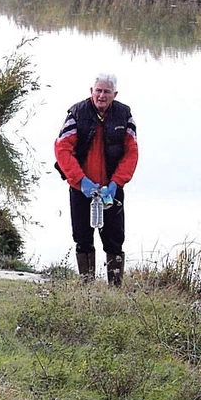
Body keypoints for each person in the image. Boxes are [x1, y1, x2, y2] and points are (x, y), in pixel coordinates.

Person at [54, 73, 138, 286]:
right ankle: (87, 288)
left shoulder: (124, 115)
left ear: (114, 94)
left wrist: (116, 182)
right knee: (82, 238)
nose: (101, 95)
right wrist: (80, 181)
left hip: (112, 189)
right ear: (91, 91)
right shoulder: (76, 113)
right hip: (82, 188)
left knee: (114, 240)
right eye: (98, 90)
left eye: (106, 91)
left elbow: (132, 153)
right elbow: (62, 149)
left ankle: (115, 289)